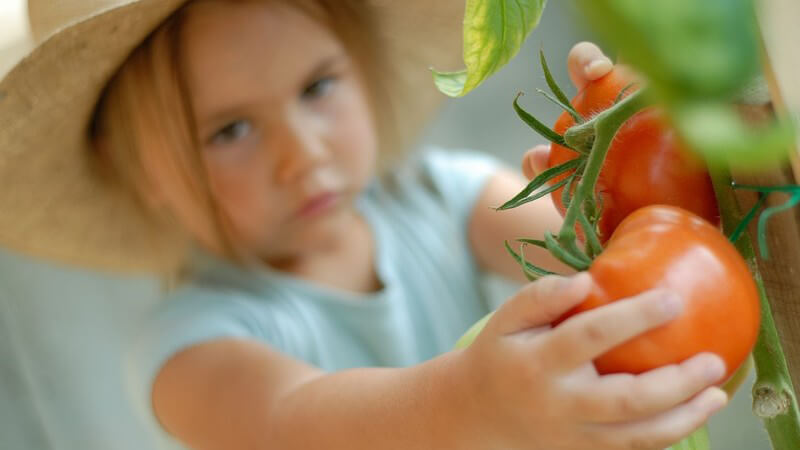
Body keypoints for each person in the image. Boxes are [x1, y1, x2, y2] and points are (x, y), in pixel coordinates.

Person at [0, 0, 729, 448]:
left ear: (363, 65)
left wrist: (620, 152)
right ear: (141, 175)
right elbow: (293, 423)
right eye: (228, 131)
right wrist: (474, 403)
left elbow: (603, 265)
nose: (302, 153)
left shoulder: (446, 197)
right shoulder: (191, 349)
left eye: (317, 87)